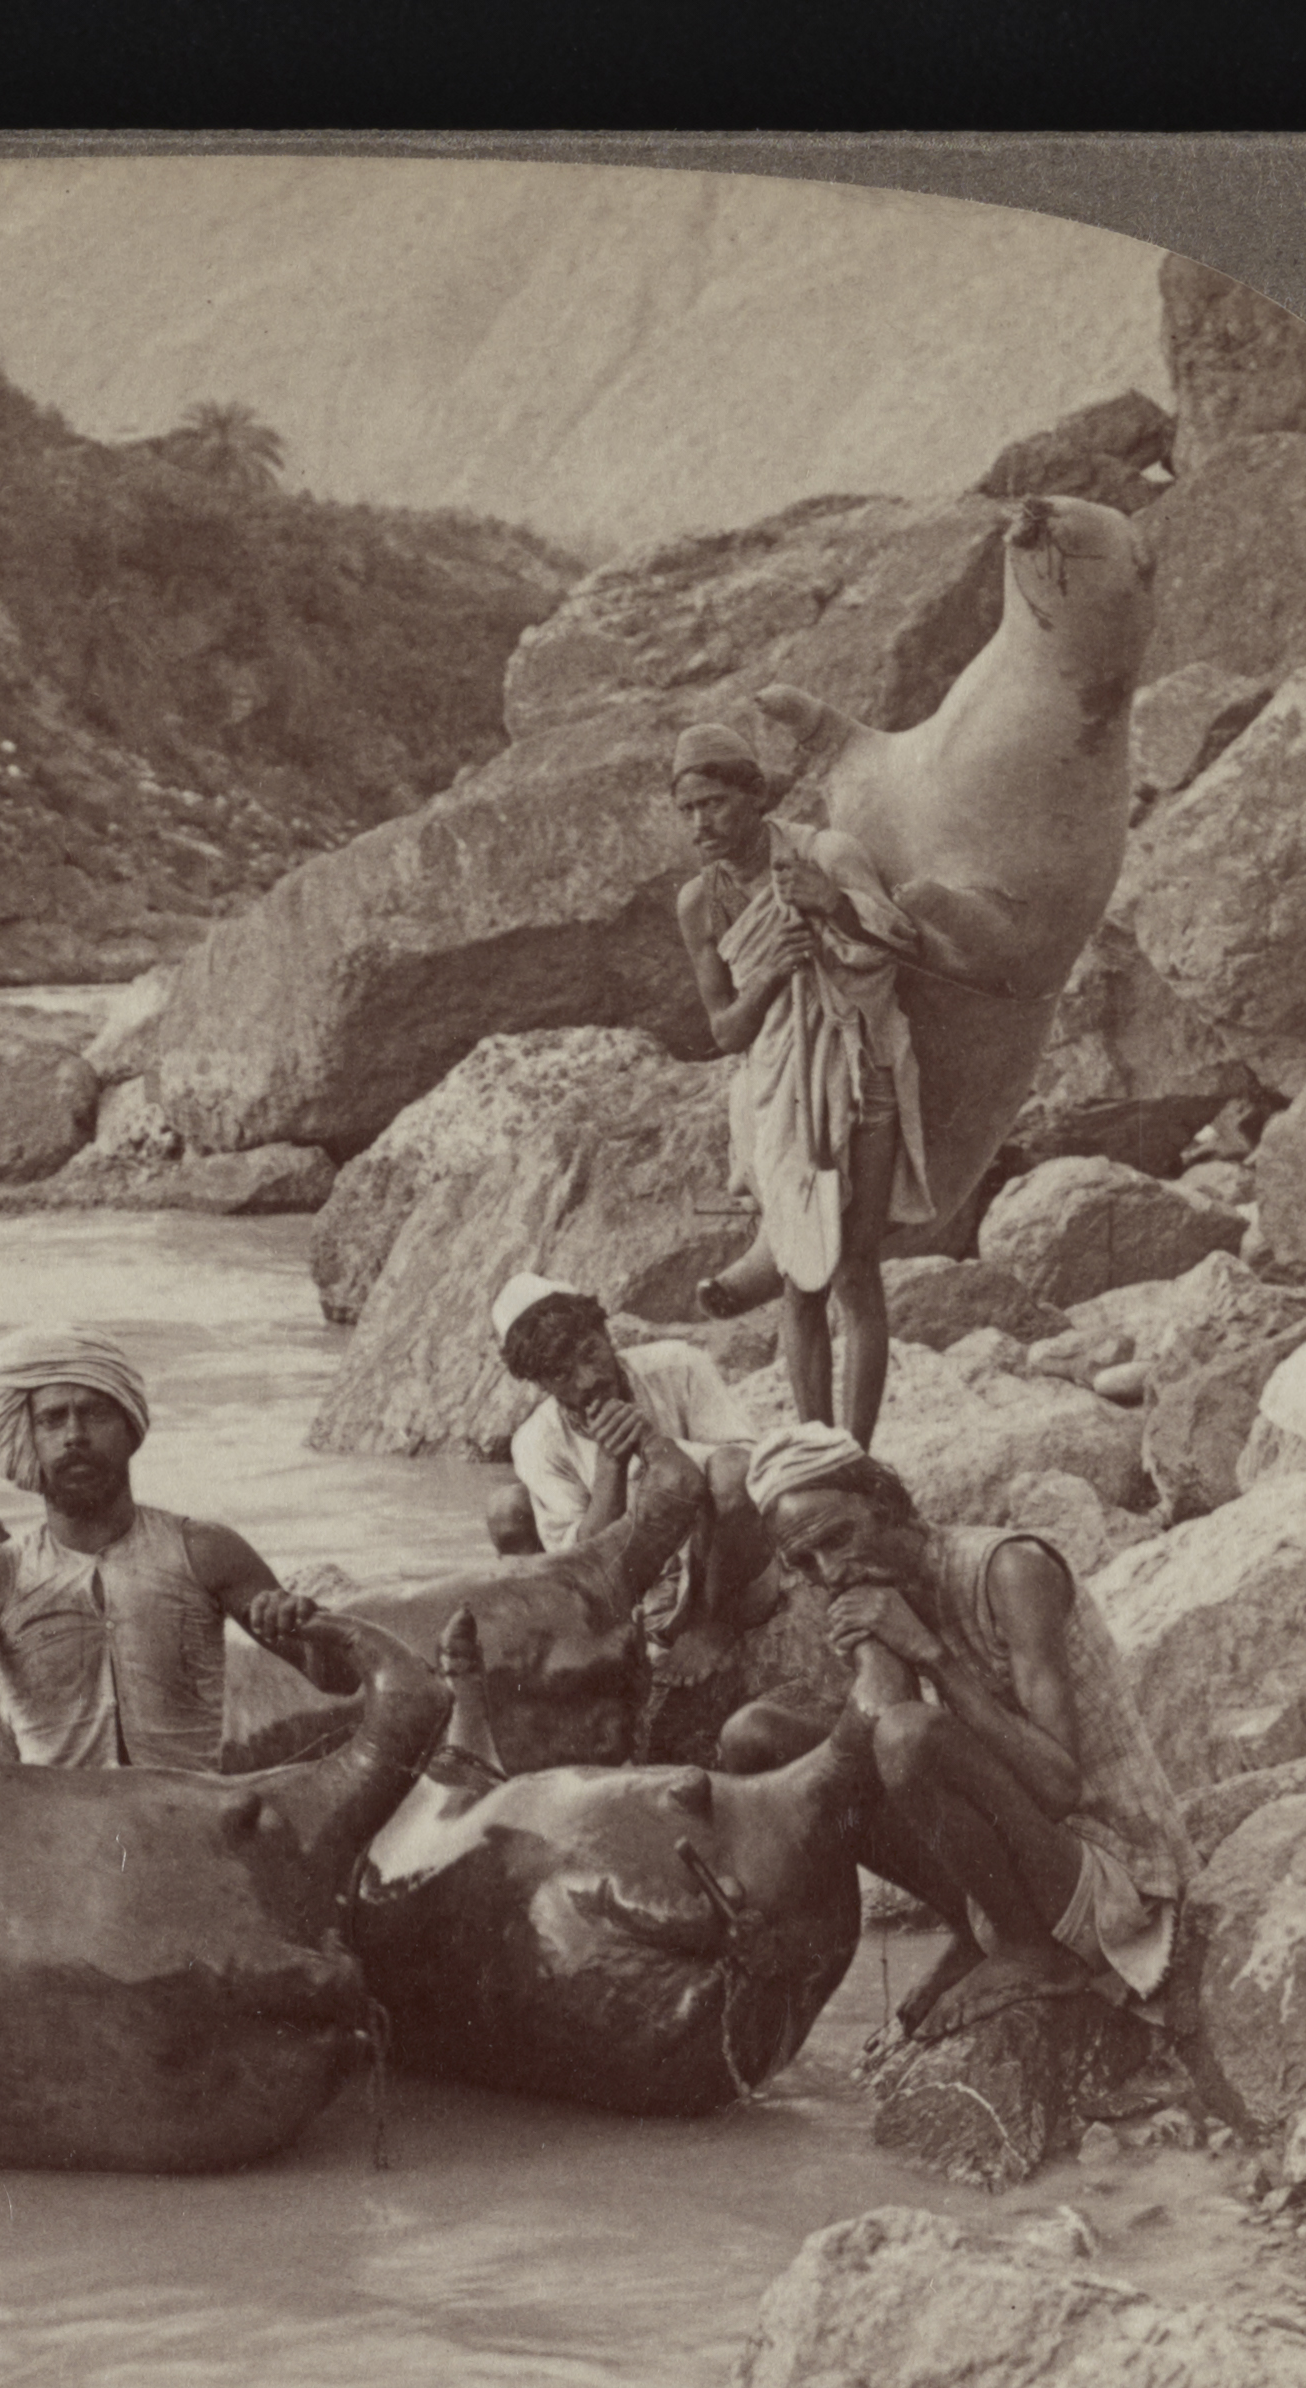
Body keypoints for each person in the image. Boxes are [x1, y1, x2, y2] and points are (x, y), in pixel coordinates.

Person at [0, 1325, 361, 1852]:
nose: (73, 1435)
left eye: (94, 1413)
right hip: (58, 1843)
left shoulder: (207, 1550)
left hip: (190, 1832)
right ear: (28, 1439)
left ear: (129, 1429)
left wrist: (303, 1624)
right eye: (52, 1420)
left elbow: (336, 1678)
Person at [716, 1428, 1187, 2030]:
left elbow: (1059, 1787)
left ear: (884, 1502)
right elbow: (885, 1759)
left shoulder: (1011, 1569)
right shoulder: (875, 1588)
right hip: (1024, 1851)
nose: (828, 1572)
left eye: (837, 1539)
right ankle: (974, 1927)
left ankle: (1031, 1950)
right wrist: (877, 1654)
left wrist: (929, 1654)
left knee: (909, 1736)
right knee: (756, 1735)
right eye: (804, 1562)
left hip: (1112, 1873)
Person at [669, 722, 946, 1452]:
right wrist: (768, 977)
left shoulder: (826, 854)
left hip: (860, 1074)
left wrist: (833, 906)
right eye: (687, 809)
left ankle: (856, 1452)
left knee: (854, 1268)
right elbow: (726, 1031)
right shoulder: (700, 902)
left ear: (756, 795)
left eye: (714, 803)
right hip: (776, 1089)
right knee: (800, 1275)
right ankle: (815, 1447)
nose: (700, 824)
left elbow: (905, 945)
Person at [487, 1272, 764, 1641]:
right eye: (561, 1374)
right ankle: (564, 1641)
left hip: (715, 1559)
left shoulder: (679, 1365)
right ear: (540, 1384)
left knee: (731, 1470)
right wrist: (611, 1466)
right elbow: (578, 1568)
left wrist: (652, 1444)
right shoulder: (536, 1442)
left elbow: (753, 1468)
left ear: (606, 1334)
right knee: (507, 1507)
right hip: (626, 1574)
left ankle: (712, 1627)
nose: (588, 1380)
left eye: (590, 1353)